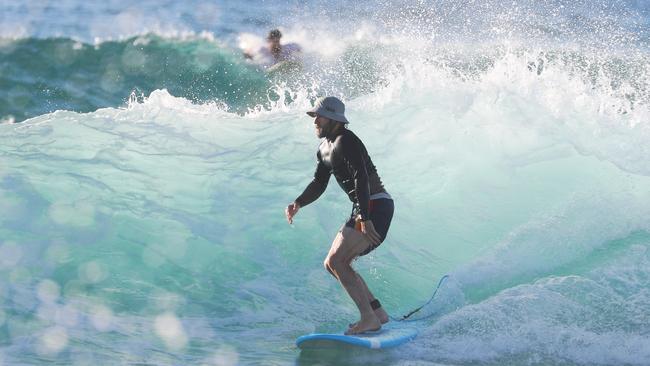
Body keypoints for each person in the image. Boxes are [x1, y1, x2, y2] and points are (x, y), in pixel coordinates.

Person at [285, 96, 394, 335]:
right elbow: (319, 182)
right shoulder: (324, 148)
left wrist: (364, 217)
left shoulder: (347, 140)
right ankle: (377, 312)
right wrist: (299, 202)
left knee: (337, 262)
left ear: (333, 119)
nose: (314, 120)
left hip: (375, 205)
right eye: (314, 116)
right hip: (364, 207)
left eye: (319, 116)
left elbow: (361, 177)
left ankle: (369, 319)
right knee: (331, 264)